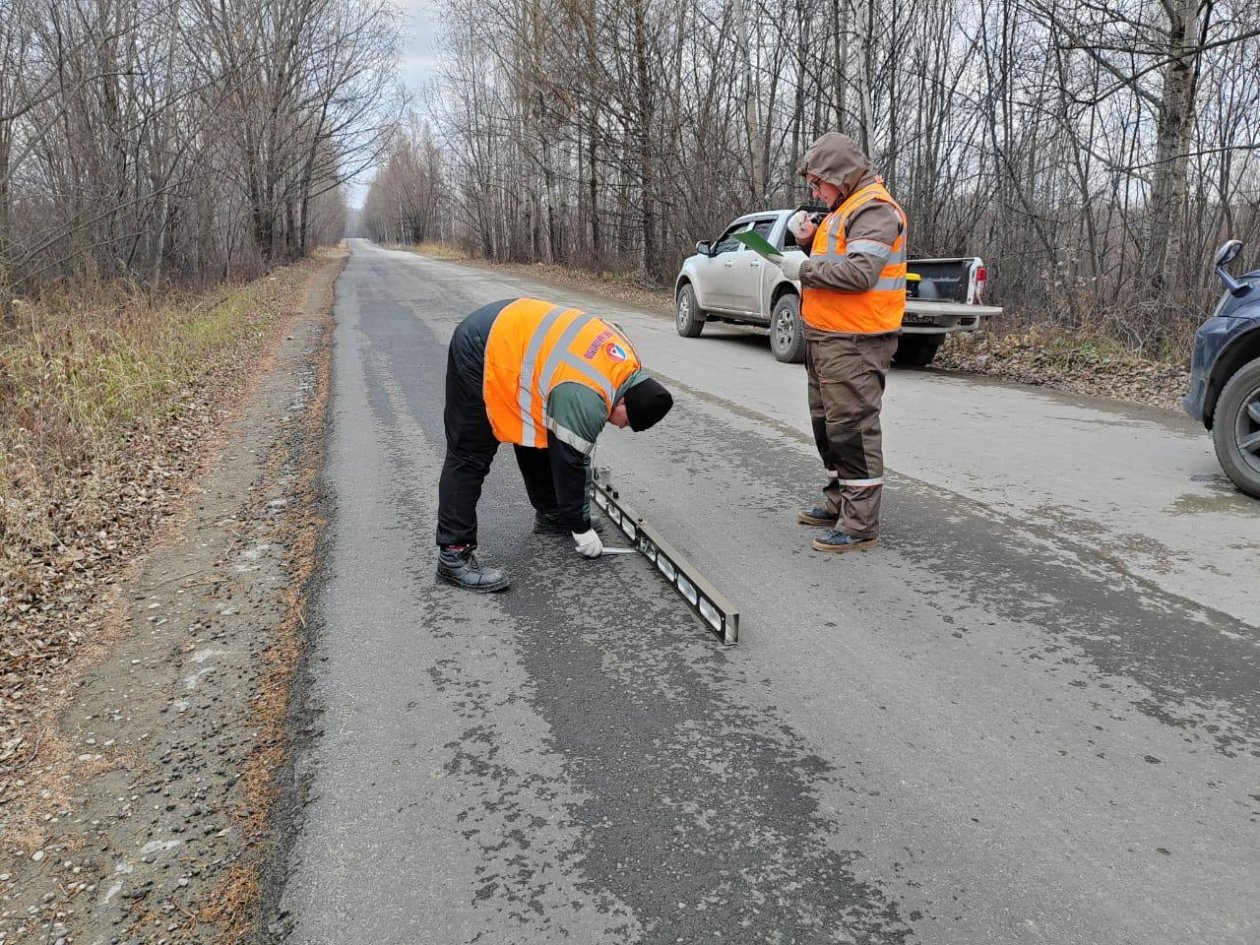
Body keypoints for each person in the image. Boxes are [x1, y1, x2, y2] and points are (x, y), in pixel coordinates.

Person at [435, 297, 674, 591]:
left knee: (542, 433)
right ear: (625, 399)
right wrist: (581, 527)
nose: (619, 426)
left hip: (516, 333)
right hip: (482, 348)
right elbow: (571, 462)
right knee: (470, 455)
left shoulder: (627, 361)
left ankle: (551, 513)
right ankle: (453, 555)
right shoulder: (586, 395)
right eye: (625, 421)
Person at [764, 132, 908, 553]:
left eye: (817, 183)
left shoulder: (876, 209)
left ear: (840, 176)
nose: (814, 191)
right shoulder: (843, 208)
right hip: (827, 337)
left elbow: (860, 272)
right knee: (828, 429)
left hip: (857, 341)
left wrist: (804, 266)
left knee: (853, 431)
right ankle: (839, 503)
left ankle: (860, 524)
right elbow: (839, 256)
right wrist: (808, 239)